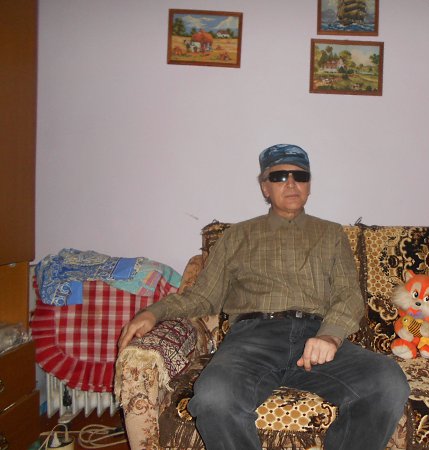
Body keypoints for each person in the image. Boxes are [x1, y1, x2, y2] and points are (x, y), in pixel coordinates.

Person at [118, 144, 410, 450]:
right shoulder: (236, 236)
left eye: (300, 176)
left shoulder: (331, 235)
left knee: (387, 382)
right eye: (280, 176)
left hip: (317, 337)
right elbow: (203, 297)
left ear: (309, 184)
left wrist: (331, 335)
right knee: (215, 397)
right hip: (252, 339)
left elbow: (348, 294)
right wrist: (153, 312)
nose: (291, 183)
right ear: (265, 187)